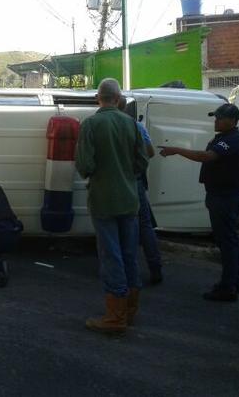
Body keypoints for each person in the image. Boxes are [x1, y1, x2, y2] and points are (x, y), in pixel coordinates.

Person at [75, 78, 148, 335]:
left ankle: (115, 316)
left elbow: (84, 166)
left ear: (99, 98)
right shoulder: (131, 124)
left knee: (111, 256)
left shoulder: (91, 124)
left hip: (103, 200)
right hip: (129, 199)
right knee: (129, 254)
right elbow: (142, 162)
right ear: (117, 99)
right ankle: (129, 310)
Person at [159, 103, 239, 302]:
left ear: (232, 121)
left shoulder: (232, 140)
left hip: (224, 197)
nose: (215, 121)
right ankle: (236, 281)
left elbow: (205, 157)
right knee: (230, 240)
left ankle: (228, 286)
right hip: (222, 195)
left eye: (219, 118)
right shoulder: (225, 138)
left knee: (227, 242)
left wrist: (176, 150)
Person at [118, 96, 163, 284]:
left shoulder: (106, 125)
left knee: (118, 225)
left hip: (116, 183)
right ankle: (155, 267)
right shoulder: (136, 126)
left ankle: (124, 271)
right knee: (144, 225)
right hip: (135, 181)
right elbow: (150, 152)